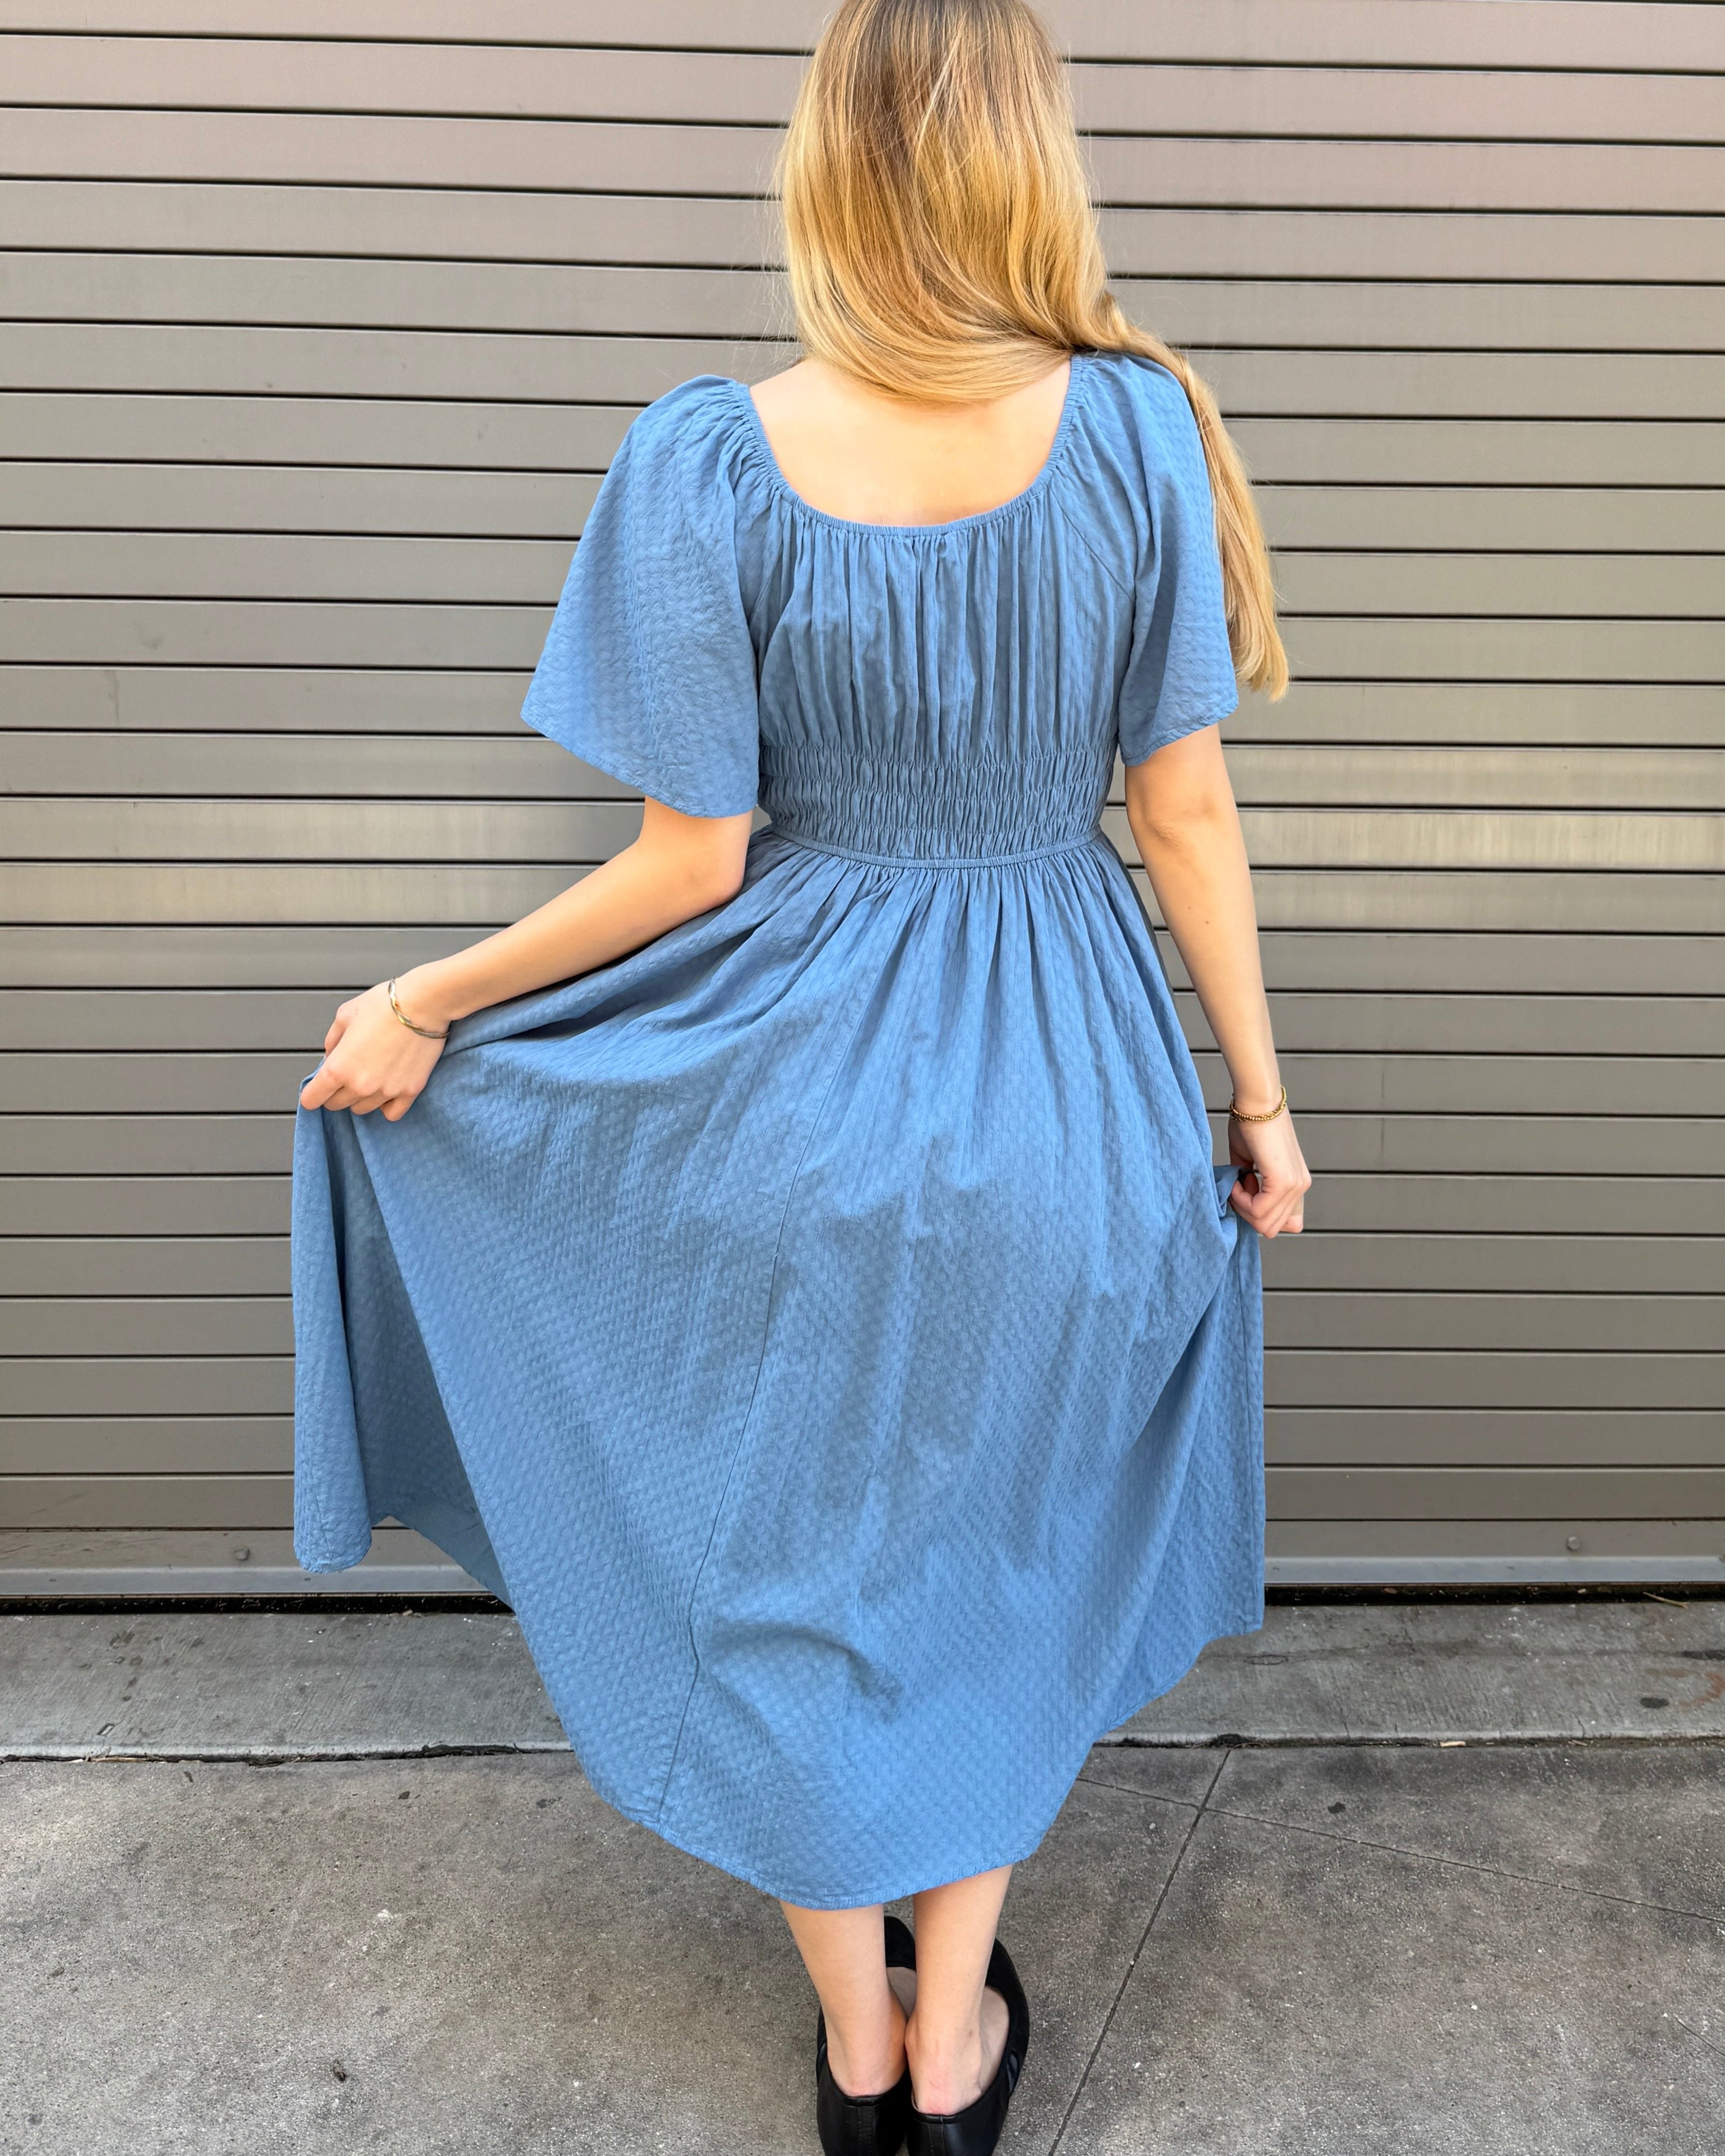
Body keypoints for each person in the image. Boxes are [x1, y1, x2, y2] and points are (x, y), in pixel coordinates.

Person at [291, 2, 1310, 2149]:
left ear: (823, 165)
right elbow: (1191, 818)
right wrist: (1260, 1108)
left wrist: (432, 1003)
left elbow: (690, 863)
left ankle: (858, 2050)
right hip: (1075, 1101)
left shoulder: (711, 459)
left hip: (794, 1113)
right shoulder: (1138, 430)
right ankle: (961, 2053)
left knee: (804, 1586)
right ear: (1035, 153)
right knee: (1004, 1564)